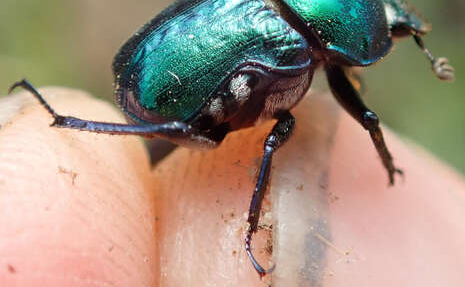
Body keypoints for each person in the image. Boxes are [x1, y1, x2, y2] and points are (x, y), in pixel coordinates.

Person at [1, 87, 464, 286]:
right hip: (165, 88)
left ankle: (63, 119)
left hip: (157, 67)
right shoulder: (292, 41)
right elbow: (365, 117)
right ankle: (66, 123)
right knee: (250, 143)